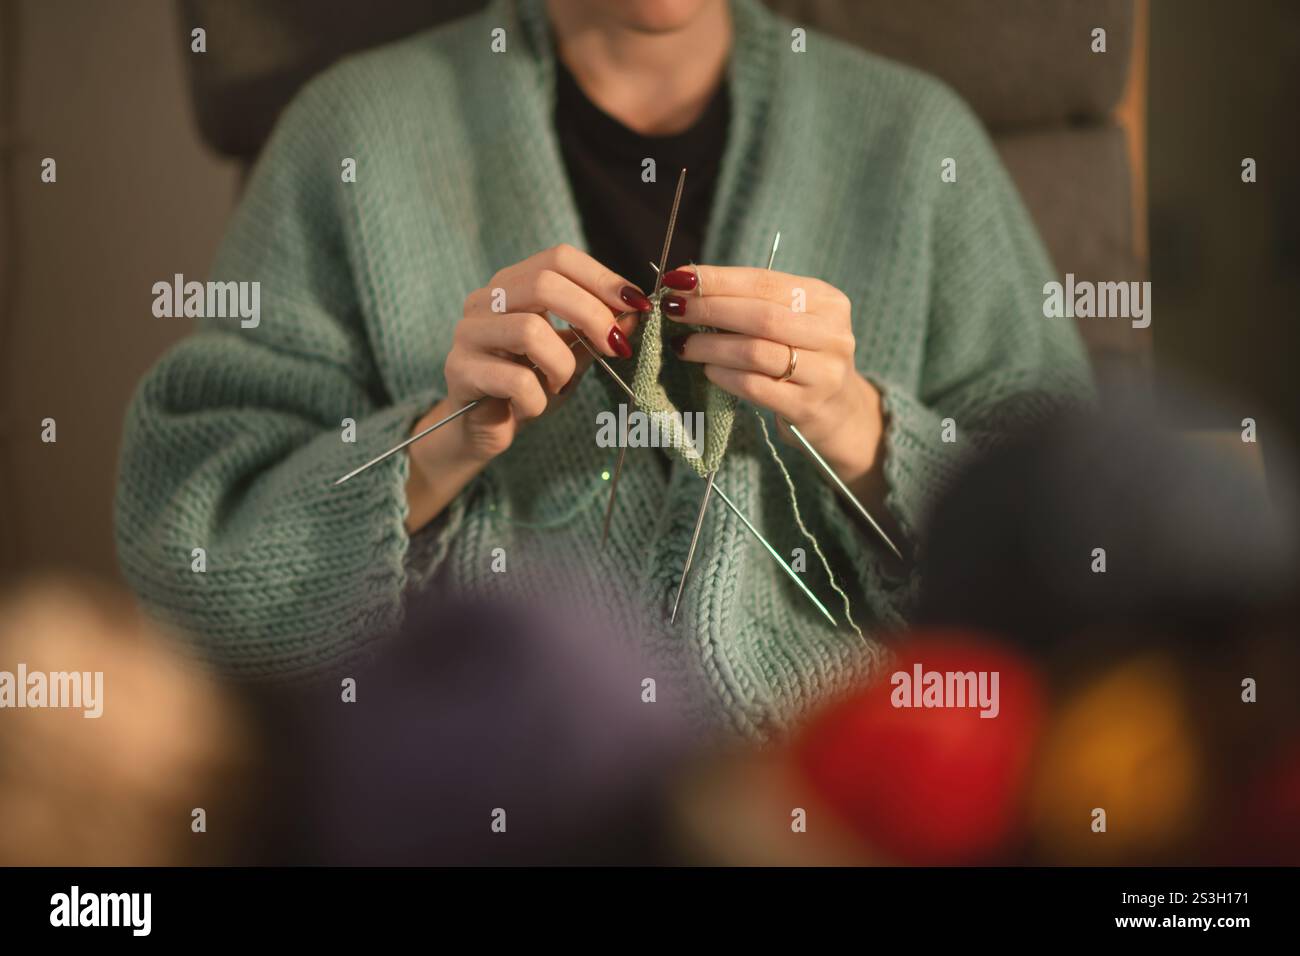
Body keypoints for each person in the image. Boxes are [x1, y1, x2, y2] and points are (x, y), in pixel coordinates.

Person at [115, 0, 1092, 739]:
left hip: (826, 778)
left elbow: (1075, 559)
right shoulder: (351, 134)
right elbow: (196, 572)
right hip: (486, 773)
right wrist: (439, 442)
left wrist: (855, 423)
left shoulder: (917, 142)